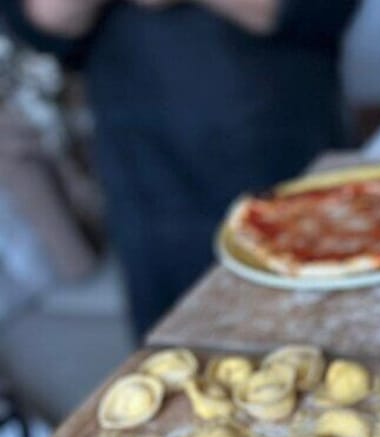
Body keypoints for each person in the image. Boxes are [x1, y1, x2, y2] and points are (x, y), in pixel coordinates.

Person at [2, 0, 360, 337]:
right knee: (180, 355)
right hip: (147, 176)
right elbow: (46, 21)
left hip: (284, 151)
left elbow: (309, 13)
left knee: (321, 330)